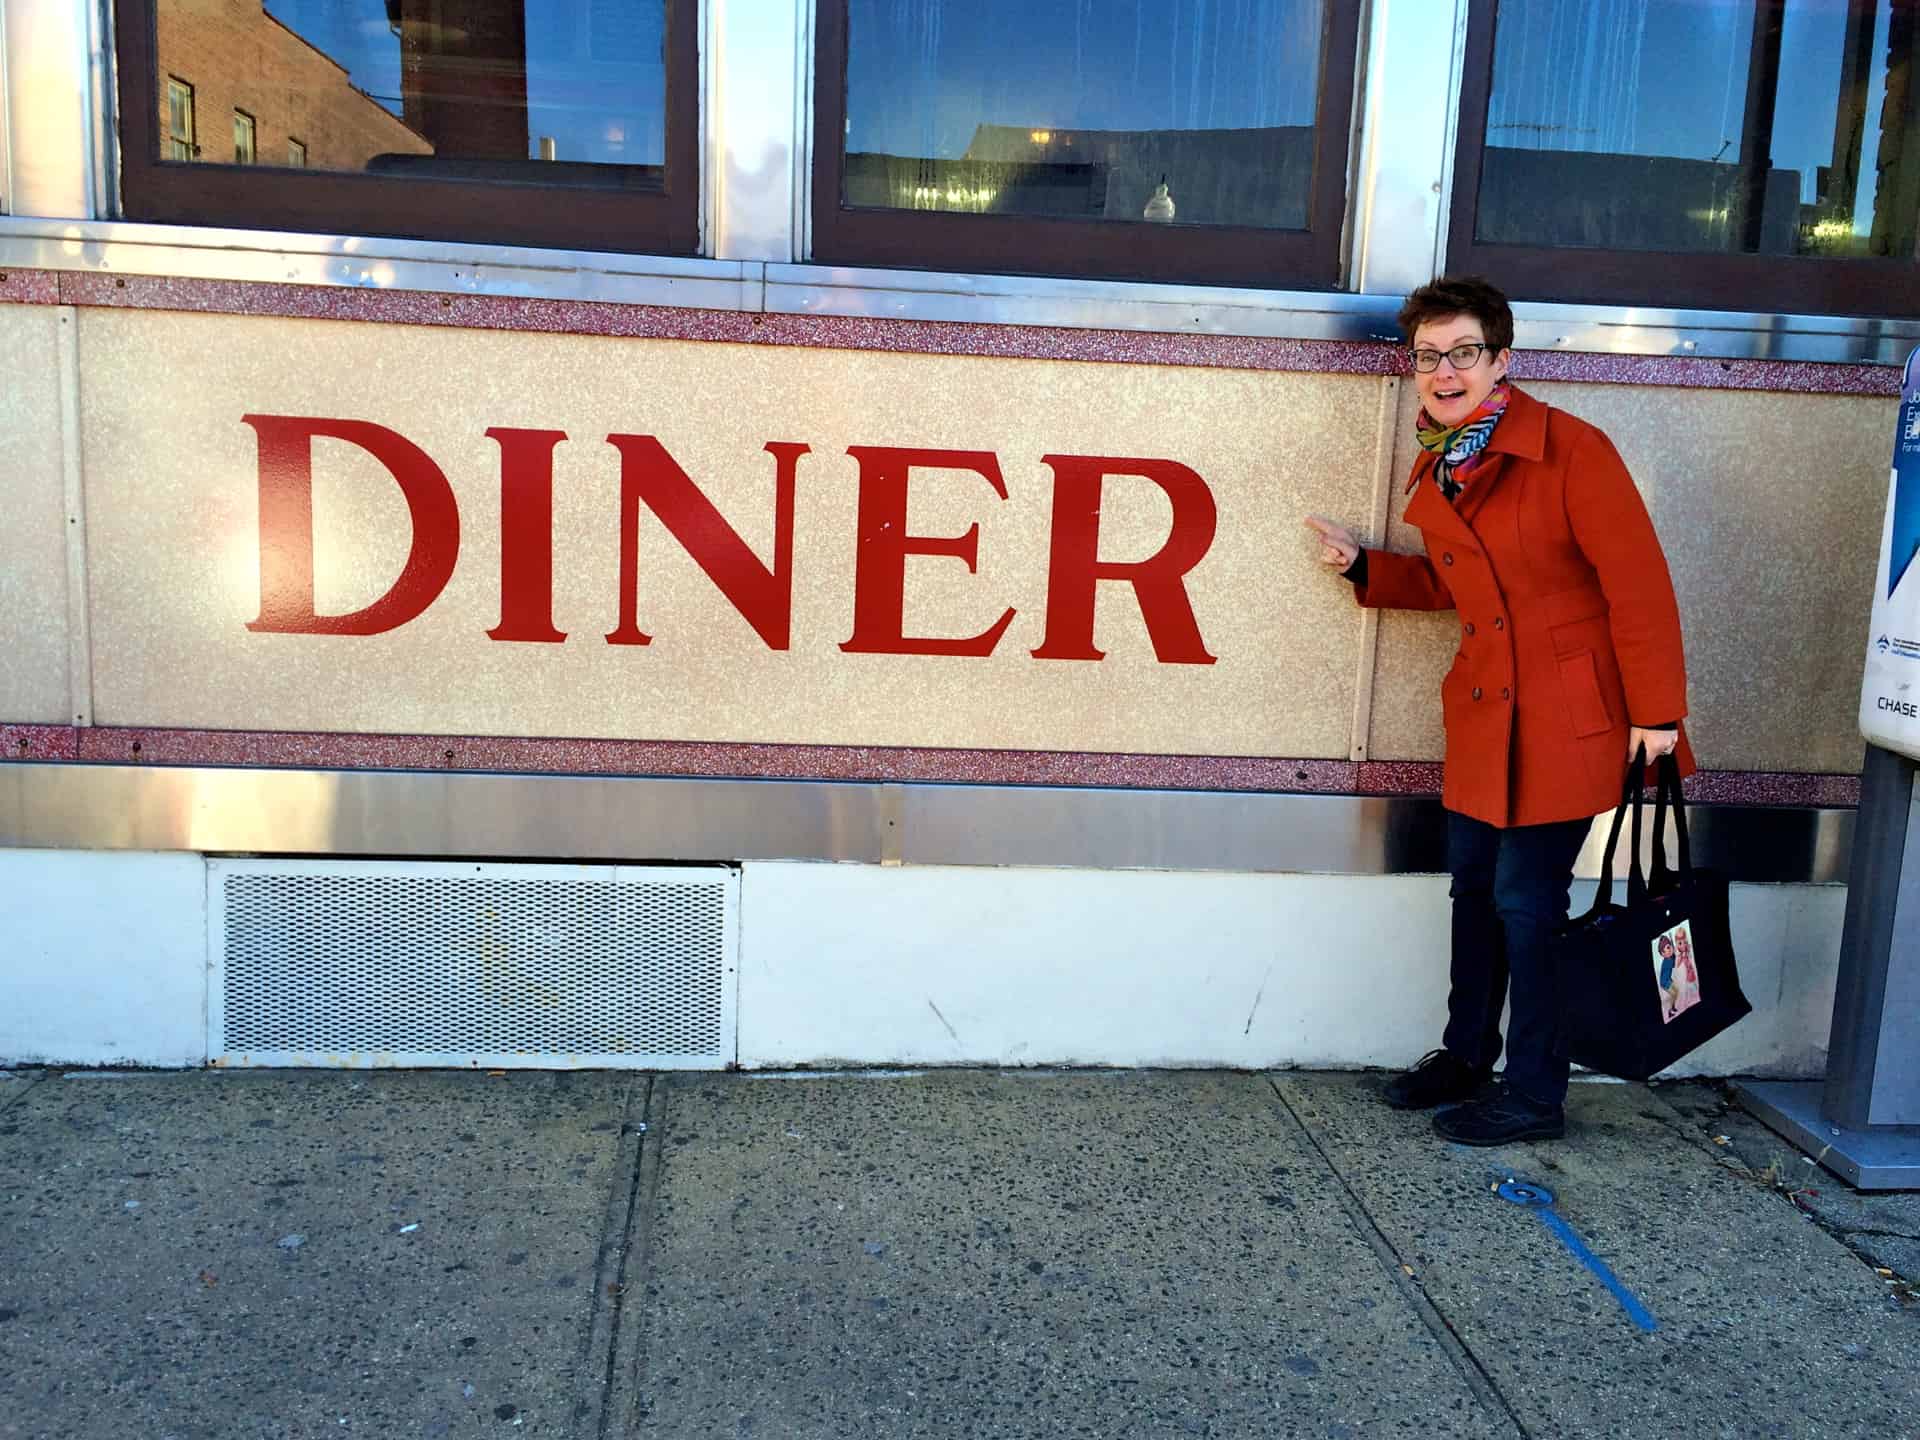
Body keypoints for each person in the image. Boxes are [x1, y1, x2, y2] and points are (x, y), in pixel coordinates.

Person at [1304, 275, 1691, 1146]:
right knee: (1473, 887)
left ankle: (1536, 1092)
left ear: (1502, 359)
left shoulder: (1571, 449)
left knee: (1527, 900)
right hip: (1486, 710)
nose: (1445, 371)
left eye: (1464, 353)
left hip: (1569, 713)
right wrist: (1366, 569)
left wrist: (1658, 713)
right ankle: (1465, 1056)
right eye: (1429, 356)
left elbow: (1638, 586)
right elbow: (1458, 583)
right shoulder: (1443, 457)